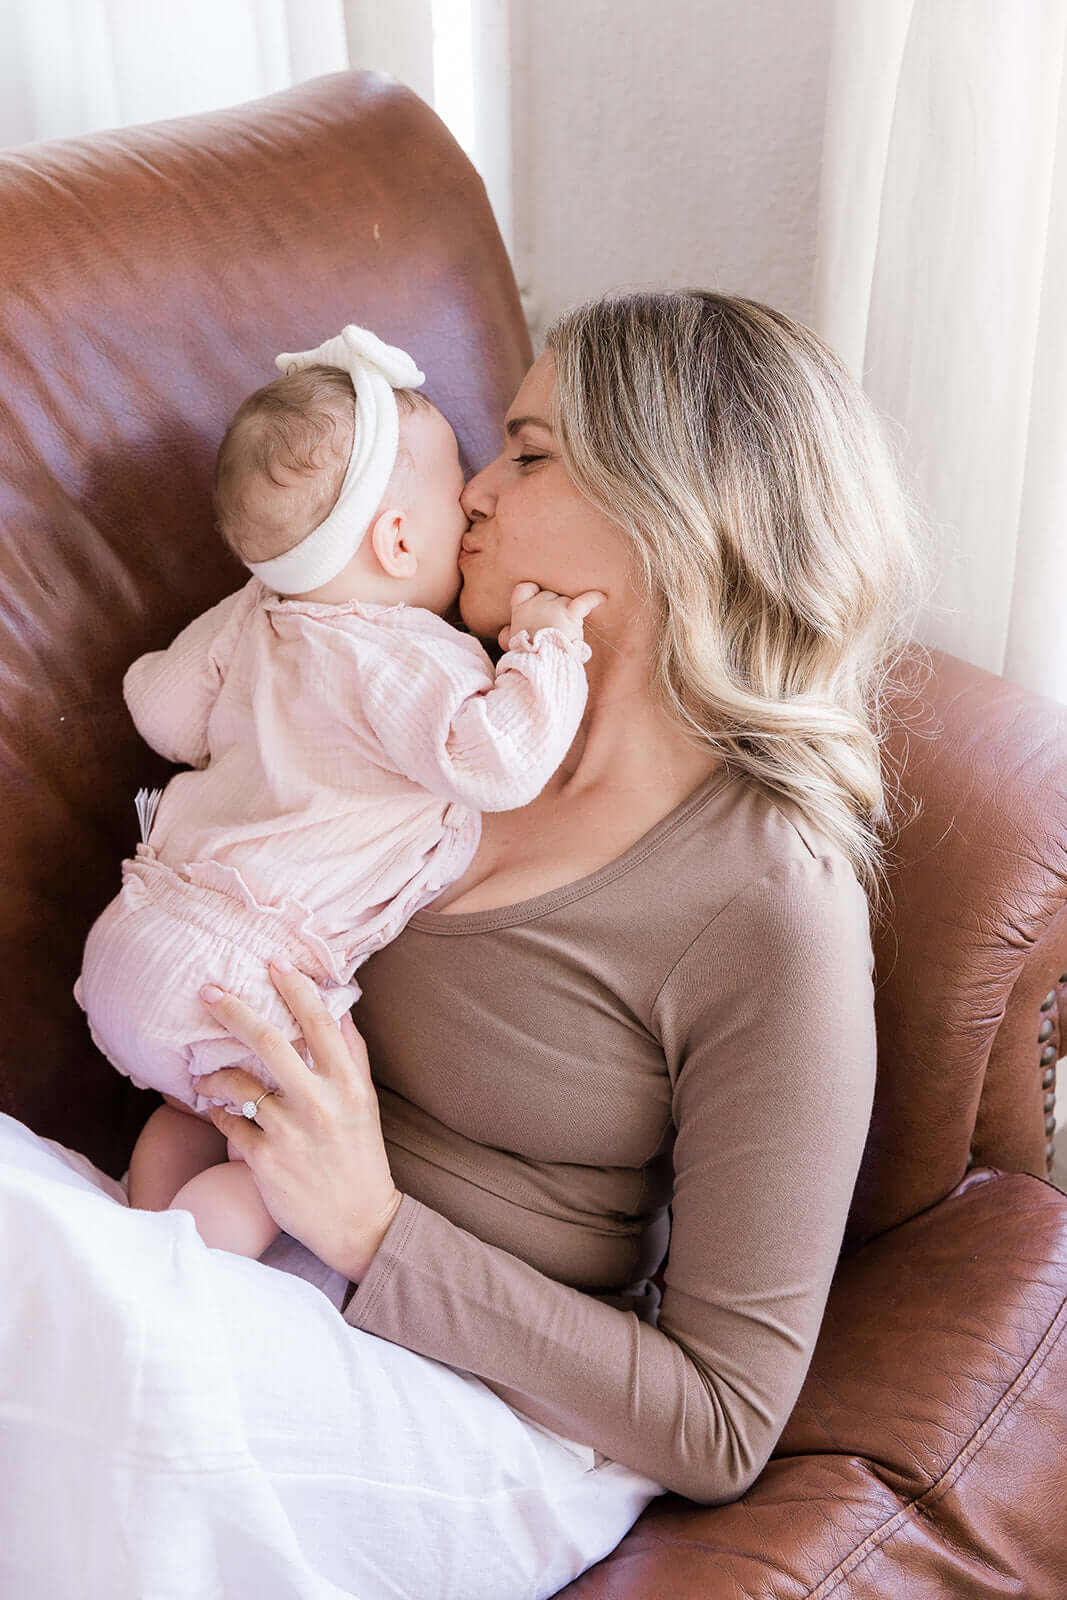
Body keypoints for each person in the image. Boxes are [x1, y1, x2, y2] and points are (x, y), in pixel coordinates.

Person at [0, 289, 928, 1600]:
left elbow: (719, 1420)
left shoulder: (770, 901)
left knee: (75, 1327)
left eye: (526, 454)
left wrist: (375, 1228)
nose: (472, 492)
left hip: (474, 1410)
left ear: (667, 514)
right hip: (243, 1261)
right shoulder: (424, 703)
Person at [73, 323, 605, 1261]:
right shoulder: (409, 658)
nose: (472, 504)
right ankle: (171, 1279)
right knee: (270, 1166)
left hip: (134, 936)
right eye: (454, 498)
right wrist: (548, 646)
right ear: (398, 540)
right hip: (245, 982)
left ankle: (138, 1229)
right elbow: (498, 761)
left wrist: (254, 597)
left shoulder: (257, 620)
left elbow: (161, 712)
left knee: (190, 1113)